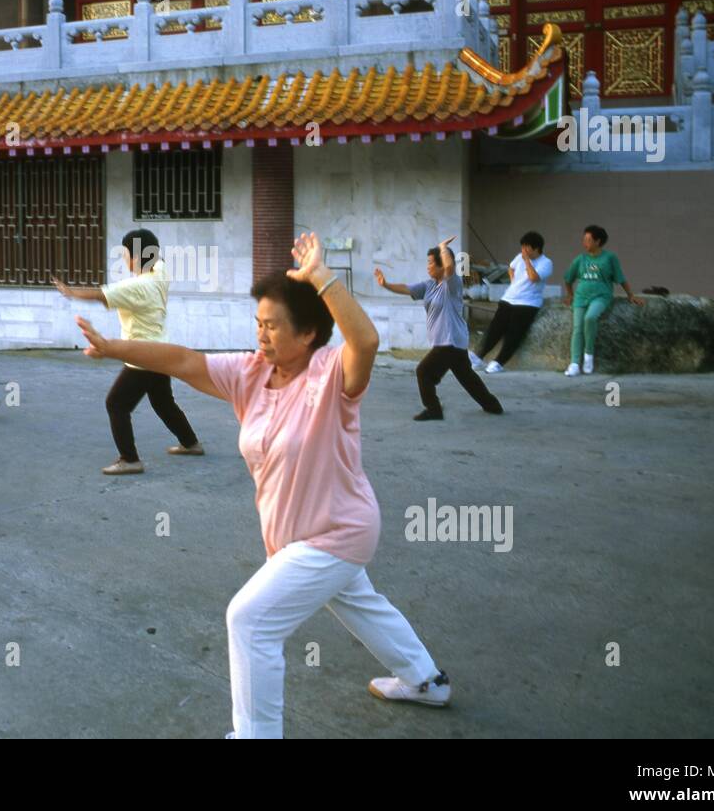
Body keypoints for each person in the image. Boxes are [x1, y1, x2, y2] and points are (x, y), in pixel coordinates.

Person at [76, 232, 449, 739]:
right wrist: (111, 345)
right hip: (294, 538)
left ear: (309, 333)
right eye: (258, 324)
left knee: (249, 620)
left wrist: (321, 277)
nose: (262, 336)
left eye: (273, 326)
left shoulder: (329, 375)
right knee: (360, 600)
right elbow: (183, 360)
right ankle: (425, 679)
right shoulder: (250, 373)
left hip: (337, 532)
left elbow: (364, 341)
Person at [52, 228, 202, 474]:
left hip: (142, 355)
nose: (124, 259)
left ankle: (129, 460)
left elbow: (102, 295)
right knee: (163, 402)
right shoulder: (160, 273)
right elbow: (155, 260)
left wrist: (71, 292)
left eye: (126, 254)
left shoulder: (137, 286)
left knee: (116, 403)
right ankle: (191, 443)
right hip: (160, 351)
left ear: (136, 257)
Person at [375, 236, 503, 421]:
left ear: (441, 265)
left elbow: (450, 268)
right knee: (467, 377)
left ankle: (433, 409)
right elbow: (407, 288)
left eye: (431, 263)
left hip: (449, 341)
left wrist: (443, 247)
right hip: (450, 342)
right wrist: (385, 284)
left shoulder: (452, 284)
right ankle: (492, 405)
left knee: (424, 372)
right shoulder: (429, 285)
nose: (427, 266)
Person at [561, 225, 645, 377]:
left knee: (590, 317)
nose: (584, 243)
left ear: (598, 241)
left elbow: (620, 278)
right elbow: (568, 278)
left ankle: (588, 356)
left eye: (588, 240)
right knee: (578, 327)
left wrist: (630, 295)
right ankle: (574, 363)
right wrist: (570, 294)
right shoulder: (580, 259)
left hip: (601, 296)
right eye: (584, 239)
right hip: (580, 297)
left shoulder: (609, 258)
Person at [469, 232, 552, 373]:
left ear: (536, 248)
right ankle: (478, 357)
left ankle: (498, 362)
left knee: (514, 332)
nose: (523, 251)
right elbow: (511, 268)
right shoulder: (519, 257)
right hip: (509, 298)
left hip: (528, 302)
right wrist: (514, 281)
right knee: (495, 329)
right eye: (523, 247)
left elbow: (533, 278)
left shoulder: (546, 263)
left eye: (527, 248)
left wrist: (527, 261)